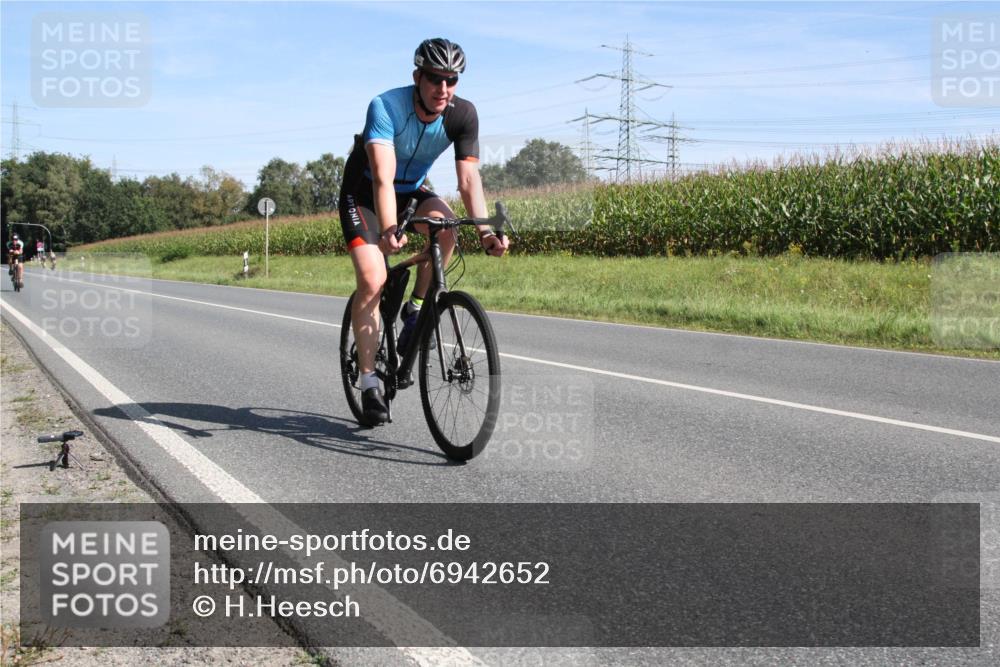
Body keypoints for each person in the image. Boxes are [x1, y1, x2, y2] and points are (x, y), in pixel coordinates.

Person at [338, 37, 509, 426]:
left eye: (451, 80)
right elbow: (382, 178)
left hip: (412, 191)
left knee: (447, 229)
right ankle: (368, 383)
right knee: (373, 277)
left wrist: (485, 233)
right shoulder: (385, 106)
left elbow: (468, 181)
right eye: (435, 78)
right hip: (364, 193)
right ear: (418, 77)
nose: (443, 89)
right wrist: (389, 229)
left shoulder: (462, 114)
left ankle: (414, 311)